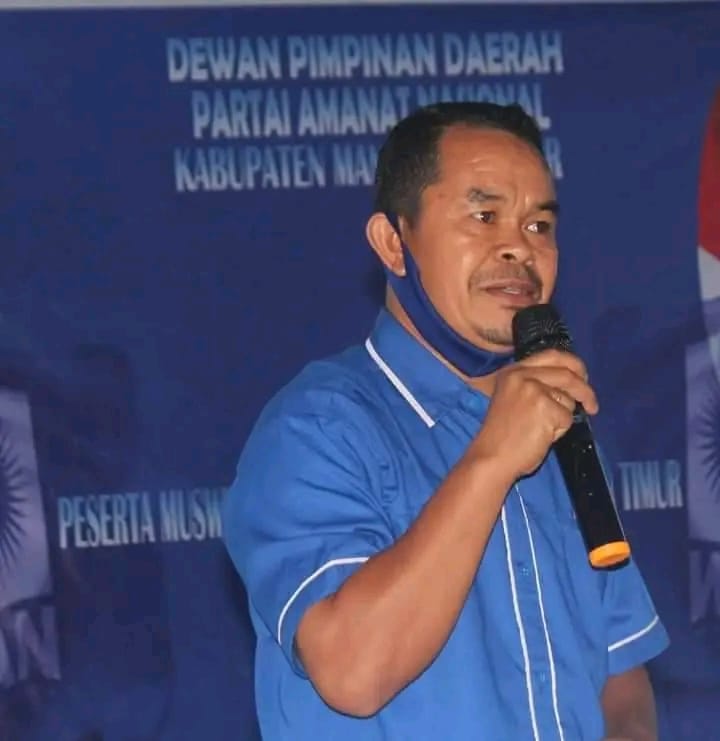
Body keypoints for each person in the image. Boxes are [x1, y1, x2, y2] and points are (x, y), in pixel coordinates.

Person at [222, 102, 669, 740]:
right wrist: (492, 459)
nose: (519, 246)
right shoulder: (314, 430)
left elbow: (619, 679)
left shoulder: (559, 428)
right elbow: (353, 671)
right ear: (392, 242)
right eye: (484, 216)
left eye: (539, 225)